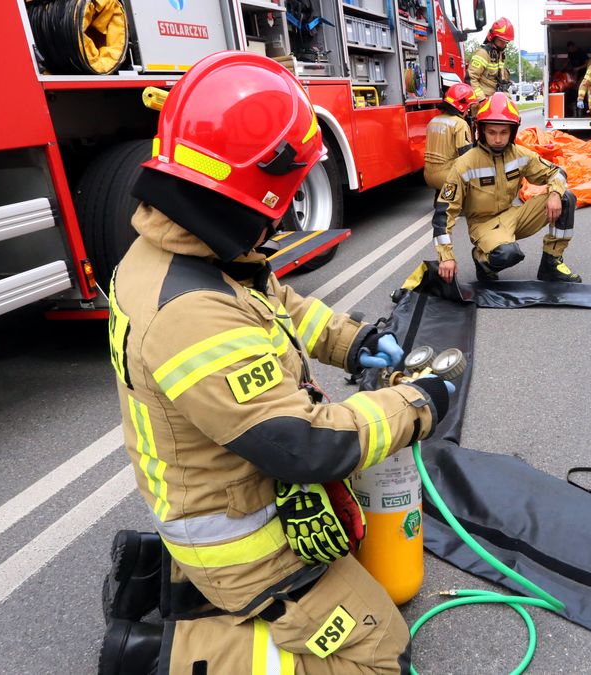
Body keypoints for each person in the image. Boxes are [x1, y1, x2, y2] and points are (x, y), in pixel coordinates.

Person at [97, 51, 451, 674]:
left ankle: (158, 572)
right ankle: (168, 654)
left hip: (209, 491)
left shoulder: (177, 253)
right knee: (381, 653)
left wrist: (353, 341)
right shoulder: (191, 311)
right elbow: (304, 445)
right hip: (242, 539)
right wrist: (416, 406)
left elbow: (275, 306)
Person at [433, 93, 581, 284]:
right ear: (482, 131)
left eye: (503, 132)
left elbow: (557, 172)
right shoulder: (465, 164)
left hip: (512, 215)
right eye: (492, 132)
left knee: (565, 198)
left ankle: (551, 264)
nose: (497, 139)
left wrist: (554, 193)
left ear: (512, 131)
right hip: (483, 224)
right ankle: (482, 259)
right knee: (508, 254)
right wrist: (446, 257)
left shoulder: (519, 154)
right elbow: (444, 212)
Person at [425, 82, 477, 191]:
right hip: (448, 177)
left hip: (428, 175)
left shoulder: (433, 121)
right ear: (463, 105)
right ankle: (444, 205)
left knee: (442, 197)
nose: (468, 112)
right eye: (468, 107)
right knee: (449, 203)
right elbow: (466, 156)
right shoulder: (459, 124)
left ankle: (439, 202)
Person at [467, 17, 513, 102]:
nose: (504, 45)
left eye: (506, 42)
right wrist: (481, 100)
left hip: (495, 102)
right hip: (483, 103)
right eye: (501, 41)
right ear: (493, 37)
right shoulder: (482, 54)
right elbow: (471, 79)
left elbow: (500, 80)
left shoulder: (499, 55)